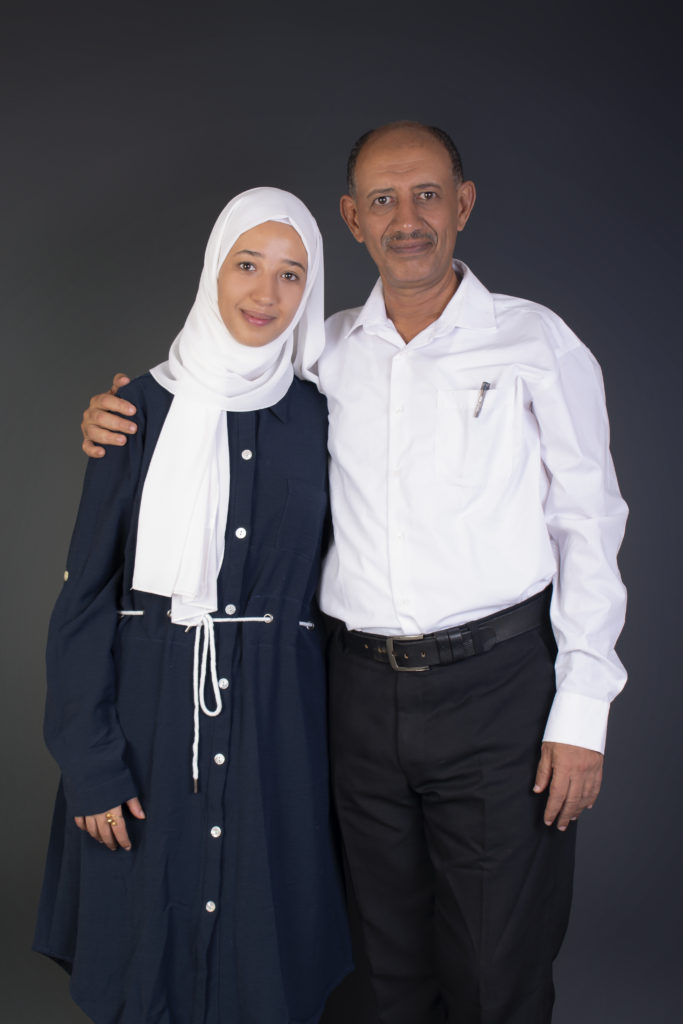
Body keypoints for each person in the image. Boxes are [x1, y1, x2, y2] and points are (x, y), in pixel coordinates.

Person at [79, 122, 628, 1024]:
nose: (405, 218)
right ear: (351, 219)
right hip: (353, 697)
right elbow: (219, 387)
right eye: (381, 200)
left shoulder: (536, 343)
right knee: (373, 968)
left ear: (463, 203)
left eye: (424, 195)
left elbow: (589, 523)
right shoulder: (319, 353)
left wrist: (582, 712)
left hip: (498, 692)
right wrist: (117, 419)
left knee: (496, 968)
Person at [34, 187, 352, 1024]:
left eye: (292, 275)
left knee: (265, 950)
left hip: (281, 729)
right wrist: (93, 765)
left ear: (309, 292)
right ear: (214, 268)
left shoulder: (327, 416)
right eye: (248, 265)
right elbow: (84, 598)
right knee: (147, 943)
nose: (265, 294)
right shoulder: (136, 408)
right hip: (147, 720)